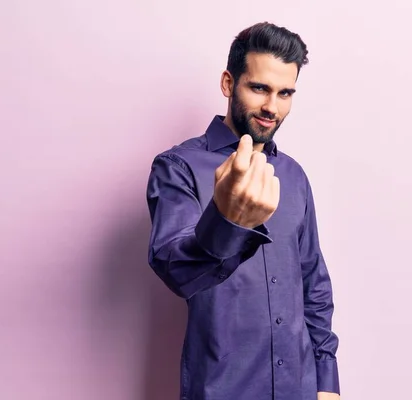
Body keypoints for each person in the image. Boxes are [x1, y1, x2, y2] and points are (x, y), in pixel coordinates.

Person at [146, 22, 340, 400]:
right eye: (259, 88)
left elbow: (313, 281)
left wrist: (326, 381)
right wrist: (228, 220)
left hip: (299, 390)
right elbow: (174, 268)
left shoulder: (294, 176)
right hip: (223, 389)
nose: (272, 107)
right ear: (227, 83)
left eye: (285, 93)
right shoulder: (178, 168)